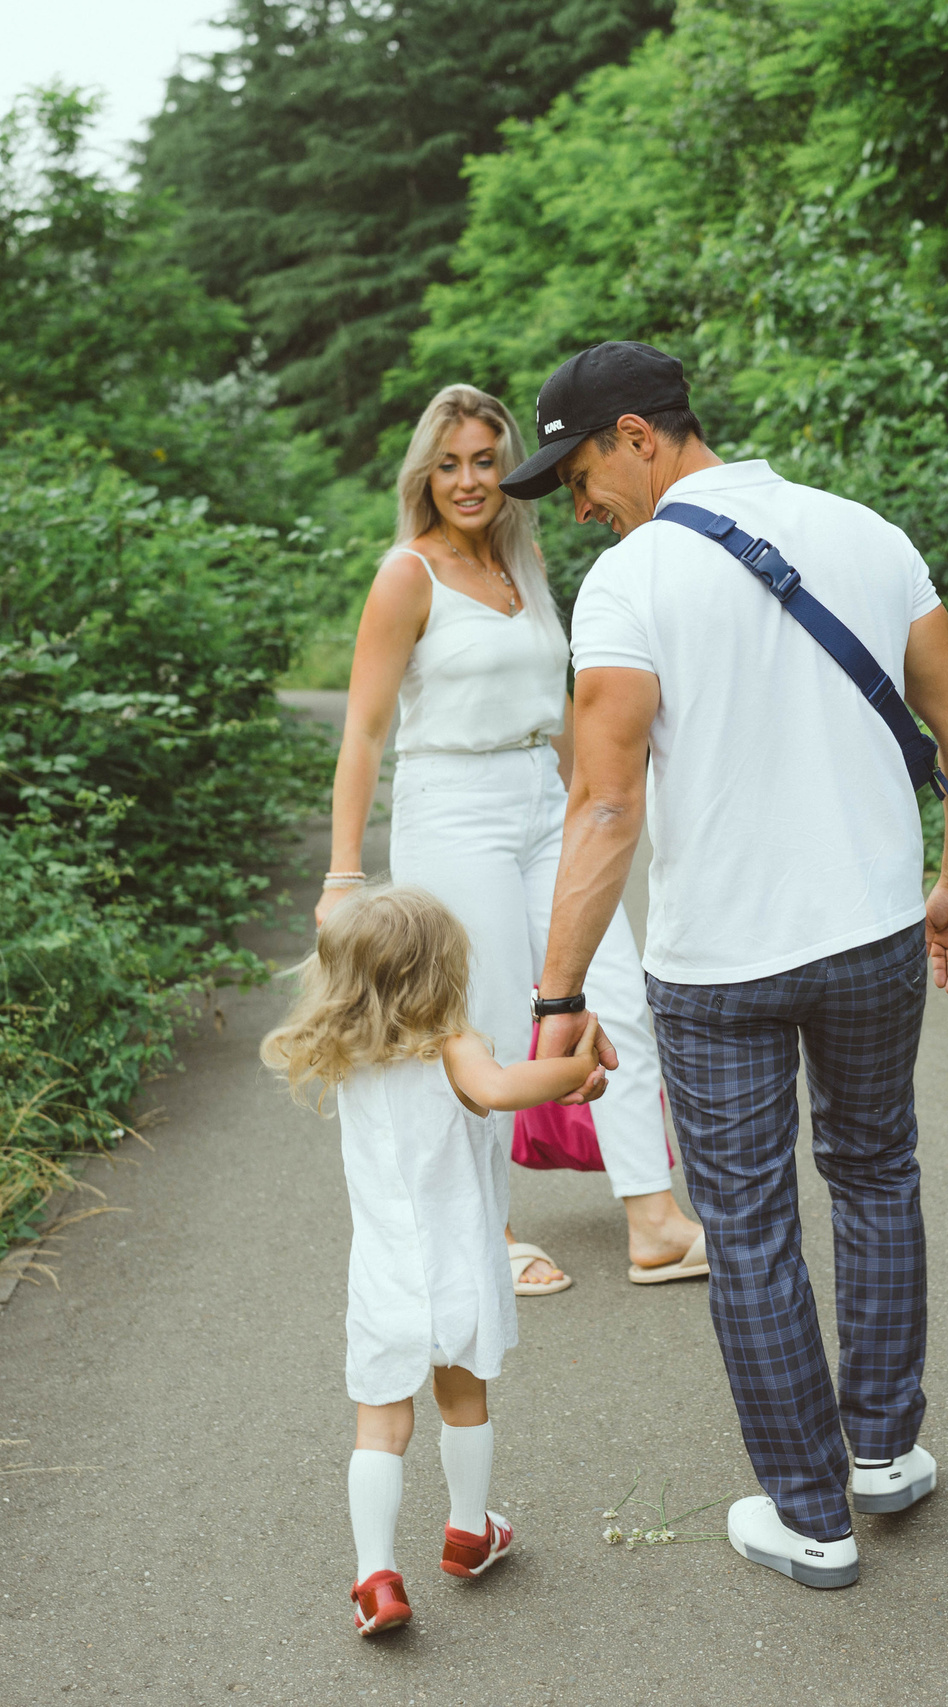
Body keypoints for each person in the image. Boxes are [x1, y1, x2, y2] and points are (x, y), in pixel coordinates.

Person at [501, 341, 948, 1590]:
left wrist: (558, 998)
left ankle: (811, 1517)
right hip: (875, 934)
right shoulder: (864, 533)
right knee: (877, 1169)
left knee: (752, 1225)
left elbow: (603, 810)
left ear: (635, 434)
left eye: (577, 474)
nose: (579, 505)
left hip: (718, 965)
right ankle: (882, 1456)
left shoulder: (631, 583)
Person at [318, 382, 707, 1295]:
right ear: (426, 471)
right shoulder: (405, 574)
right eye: (449, 463)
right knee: (483, 1018)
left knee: (615, 989)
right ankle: (480, 1230)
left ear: (507, 468)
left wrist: (594, 803)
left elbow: (564, 707)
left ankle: (652, 1218)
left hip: (542, 798)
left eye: (486, 460)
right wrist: (343, 874)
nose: (469, 480)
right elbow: (364, 733)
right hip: (451, 805)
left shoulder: (524, 569)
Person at [259, 885, 604, 1637]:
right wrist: (573, 1069)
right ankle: (468, 1529)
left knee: (379, 1427)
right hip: (456, 1272)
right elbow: (504, 1089)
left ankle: (374, 1575)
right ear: (441, 973)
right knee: (462, 1403)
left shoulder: (348, 1058)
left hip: (382, 1277)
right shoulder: (454, 1045)